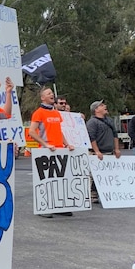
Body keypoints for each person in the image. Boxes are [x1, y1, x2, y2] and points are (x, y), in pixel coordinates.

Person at [28, 87, 75, 218]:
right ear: (42, 98)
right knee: (45, 180)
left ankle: (58, 206)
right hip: (46, 151)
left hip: (59, 149)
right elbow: (32, 132)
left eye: (52, 93)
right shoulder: (39, 112)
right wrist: (45, 144)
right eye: (48, 93)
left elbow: (59, 131)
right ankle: (43, 208)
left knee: (59, 180)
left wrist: (67, 144)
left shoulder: (56, 113)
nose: (52, 95)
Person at [86, 101, 122, 204]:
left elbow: (115, 135)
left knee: (108, 175)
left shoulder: (109, 120)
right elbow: (91, 137)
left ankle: (107, 194)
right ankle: (93, 195)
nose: (105, 106)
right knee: (94, 176)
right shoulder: (92, 122)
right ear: (96, 110)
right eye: (101, 105)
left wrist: (116, 149)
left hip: (109, 152)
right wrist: (96, 151)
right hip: (98, 153)